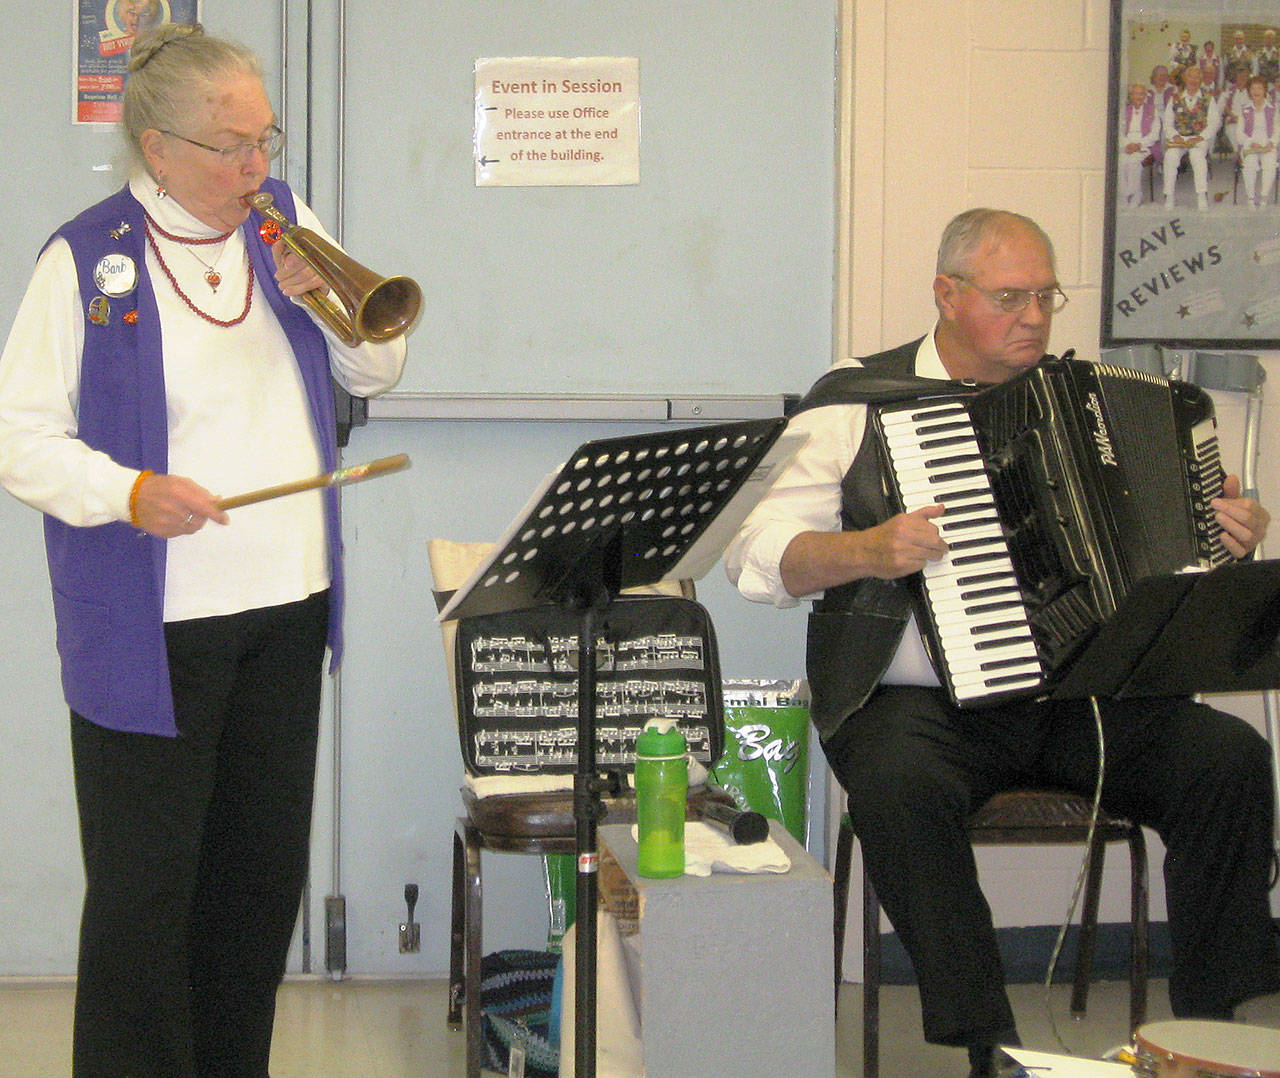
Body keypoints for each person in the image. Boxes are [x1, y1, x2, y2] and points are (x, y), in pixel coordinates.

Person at [726, 209, 1280, 1078]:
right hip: (913, 707)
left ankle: (1211, 1022)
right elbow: (755, 558)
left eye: (1045, 296)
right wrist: (867, 550)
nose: (1033, 316)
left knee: (1229, 758)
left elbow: (1169, 570)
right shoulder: (854, 402)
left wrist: (1223, 536)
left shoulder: (1094, 396)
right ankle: (987, 1043)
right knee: (899, 789)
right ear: (946, 295)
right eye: (1009, 296)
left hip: (1079, 700)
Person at [0, 23, 408, 1078]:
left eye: (263, 138)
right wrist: (127, 491)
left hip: (285, 613)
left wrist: (318, 292)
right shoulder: (83, 256)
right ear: (157, 148)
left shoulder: (284, 225)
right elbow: (20, 437)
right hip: (153, 633)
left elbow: (380, 371)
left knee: (254, 890)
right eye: (231, 146)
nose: (255, 166)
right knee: (144, 900)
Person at [1162, 63, 1221, 209]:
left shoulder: (1208, 98)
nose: (1193, 80)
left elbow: (1214, 123)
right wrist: (1175, 136)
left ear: (1201, 80)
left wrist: (1201, 137)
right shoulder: (1175, 98)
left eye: (1197, 77)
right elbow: (1167, 123)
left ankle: (1201, 196)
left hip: (1199, 139)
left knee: (1197, 158)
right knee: (1170, 157)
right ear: (1185, 78)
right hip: (1179, 139)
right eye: (1190, 77)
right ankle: (1169, 196)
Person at [1118, 82, 1161, 207]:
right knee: (1120, 162)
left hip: (1145, 144)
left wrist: (1139, 145)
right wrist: (1127, 145)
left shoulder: (1152, 110)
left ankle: (1136, 194)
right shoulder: (1124, 111)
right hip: (1127, 143)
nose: (1138, 97)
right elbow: (1119, 131)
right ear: (1131, 96)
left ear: (1145, 96)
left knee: (1133, 162)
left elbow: (1155, 133)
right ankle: (1124, 195)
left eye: (1141, 94)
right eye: (1136, 93)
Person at [1239, 74, 1278, 209]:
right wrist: (1250, 142)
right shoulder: (1244, 109)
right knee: (1250, 163)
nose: (1256, 91)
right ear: (1249, 91)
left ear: (1265, 90)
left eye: (1259, 88)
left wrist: (1271, 142)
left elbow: (1278, 130)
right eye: (1253, 88)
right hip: (1251, 144)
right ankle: (1251, 198)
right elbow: (1240, 133)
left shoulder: (1274, 108)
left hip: (1267, 143)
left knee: (1270, 164)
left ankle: (1264, 197)